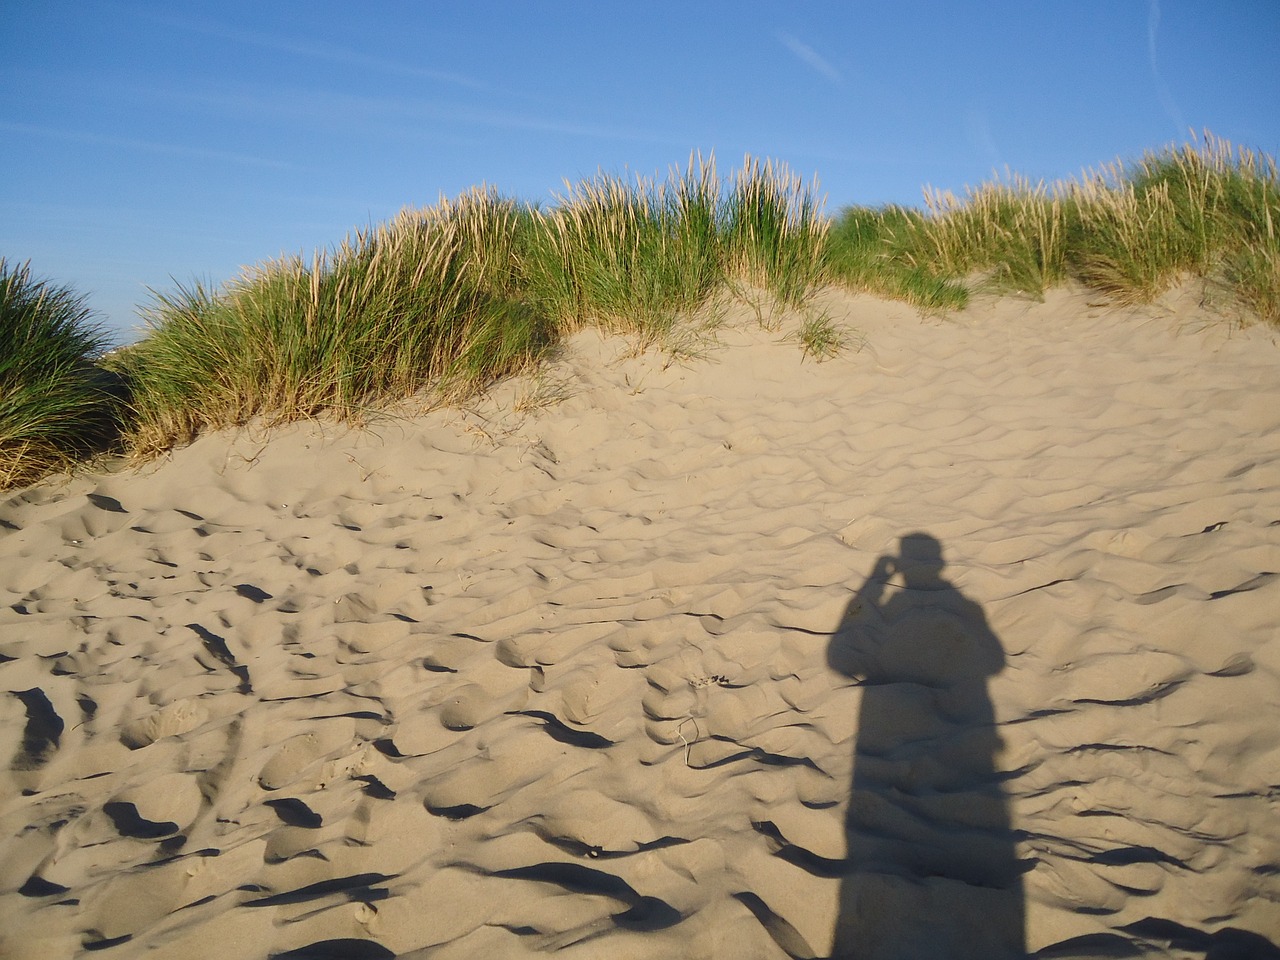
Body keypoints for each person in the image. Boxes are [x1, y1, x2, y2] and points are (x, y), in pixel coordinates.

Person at [828, 533, 1025, 959]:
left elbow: (839, 660)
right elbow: (996, 661)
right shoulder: (966, 605)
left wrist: (873, 585)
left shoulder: (916, 606)